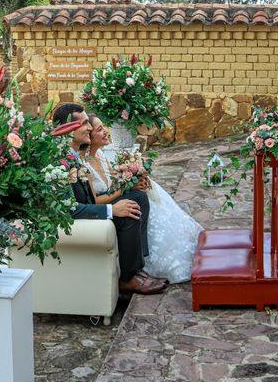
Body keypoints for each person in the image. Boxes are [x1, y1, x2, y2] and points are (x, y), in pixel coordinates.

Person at [52, 103, 167, 295]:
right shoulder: (59, 161)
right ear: (66, 129)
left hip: (87, 211)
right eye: (83, 124)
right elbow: (69, 209)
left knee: (136, 199)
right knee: (128, 211)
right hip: (78, 222)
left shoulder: (73, 157)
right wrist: (112, 210)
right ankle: (128, 279)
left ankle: (137, 269)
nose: (88, 128)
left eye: (89, 123)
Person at [83, 115, 202, 284]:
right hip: (105, 207)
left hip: (113, 198)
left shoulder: (101, 155)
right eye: (99, 129)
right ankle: (136, 268)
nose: (106, 132)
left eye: (104, 127)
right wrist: (125, 187)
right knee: (137, 199)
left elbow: (114, 180)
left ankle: (142, 259)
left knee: (143, 192)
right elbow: (98, 198)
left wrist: (133, 176)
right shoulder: (84, 165)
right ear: (90, 136)